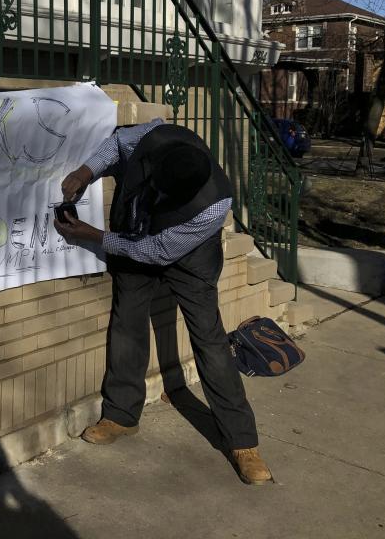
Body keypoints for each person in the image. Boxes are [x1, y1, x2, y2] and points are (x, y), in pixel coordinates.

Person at [53, 117, 272, 485]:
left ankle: (242, 442)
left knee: (210, 340)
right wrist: (85, 171)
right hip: (136, 234)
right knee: (127, 321)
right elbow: (116, 145)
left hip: (188, 258)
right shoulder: (153, 138)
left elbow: (154, 251)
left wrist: (94, 236)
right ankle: (121, 415)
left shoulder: (212, 206)